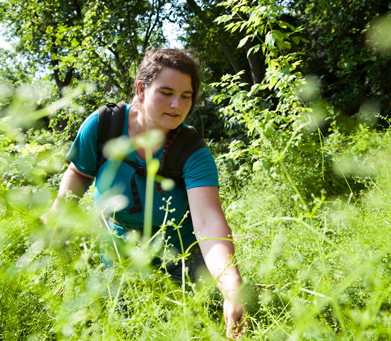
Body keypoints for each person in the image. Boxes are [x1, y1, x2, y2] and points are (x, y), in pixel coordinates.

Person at [41, 49, 247, 337]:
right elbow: (79, 172)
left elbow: (208, 222)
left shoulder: (192, 151)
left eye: (186, 96)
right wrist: (58, 212)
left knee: (194, 327)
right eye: (166, 92)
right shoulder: (104, 126)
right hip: (120, 251)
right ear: (141, 88)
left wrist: (232, 287)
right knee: (133, 327)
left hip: (182, 255)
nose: (177, 105)